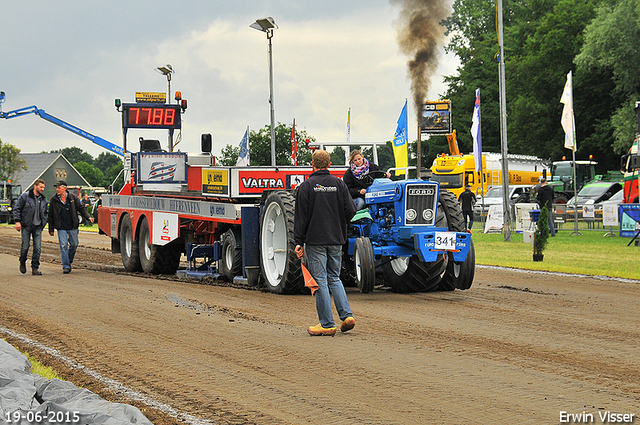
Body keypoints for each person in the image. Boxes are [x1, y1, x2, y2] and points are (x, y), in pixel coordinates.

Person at [294, 150, 357, 336]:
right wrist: (339, 224)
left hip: (315, 240)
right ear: (329, 165)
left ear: (312, 165)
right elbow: (352, 211)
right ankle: (346, 316)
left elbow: (300, 218)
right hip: (336, 239)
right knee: (334, 277)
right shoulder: (339, 184)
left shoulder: (306, 187)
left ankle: (327, 324)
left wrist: (298, 242)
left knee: (320, 280)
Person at [47, 180, 94, 273]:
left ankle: (68, 260)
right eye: (56, 187)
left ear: (65, 188)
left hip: (72, 226)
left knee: (74, 244)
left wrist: (88, 217)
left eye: (59, 187)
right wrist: (51, 229)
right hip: (61, 227)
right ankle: (66, 266)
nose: (57, 189)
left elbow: (81, 209)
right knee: (63, 246)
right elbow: (51, 215)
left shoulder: (73, 198)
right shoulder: (54, 199)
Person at [13, 179, 48, 275]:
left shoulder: (43, 199)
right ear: (35, 186)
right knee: (25, 247)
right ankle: (22, 261)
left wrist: (43, 222)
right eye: (41, 187)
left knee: (37, 248)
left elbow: (45, 212)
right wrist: (17, 221)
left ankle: (35, 267)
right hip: (26, 226)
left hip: (38, 227)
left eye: (43, 187)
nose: (42, 189)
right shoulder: (25, 197)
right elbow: (17, 209)